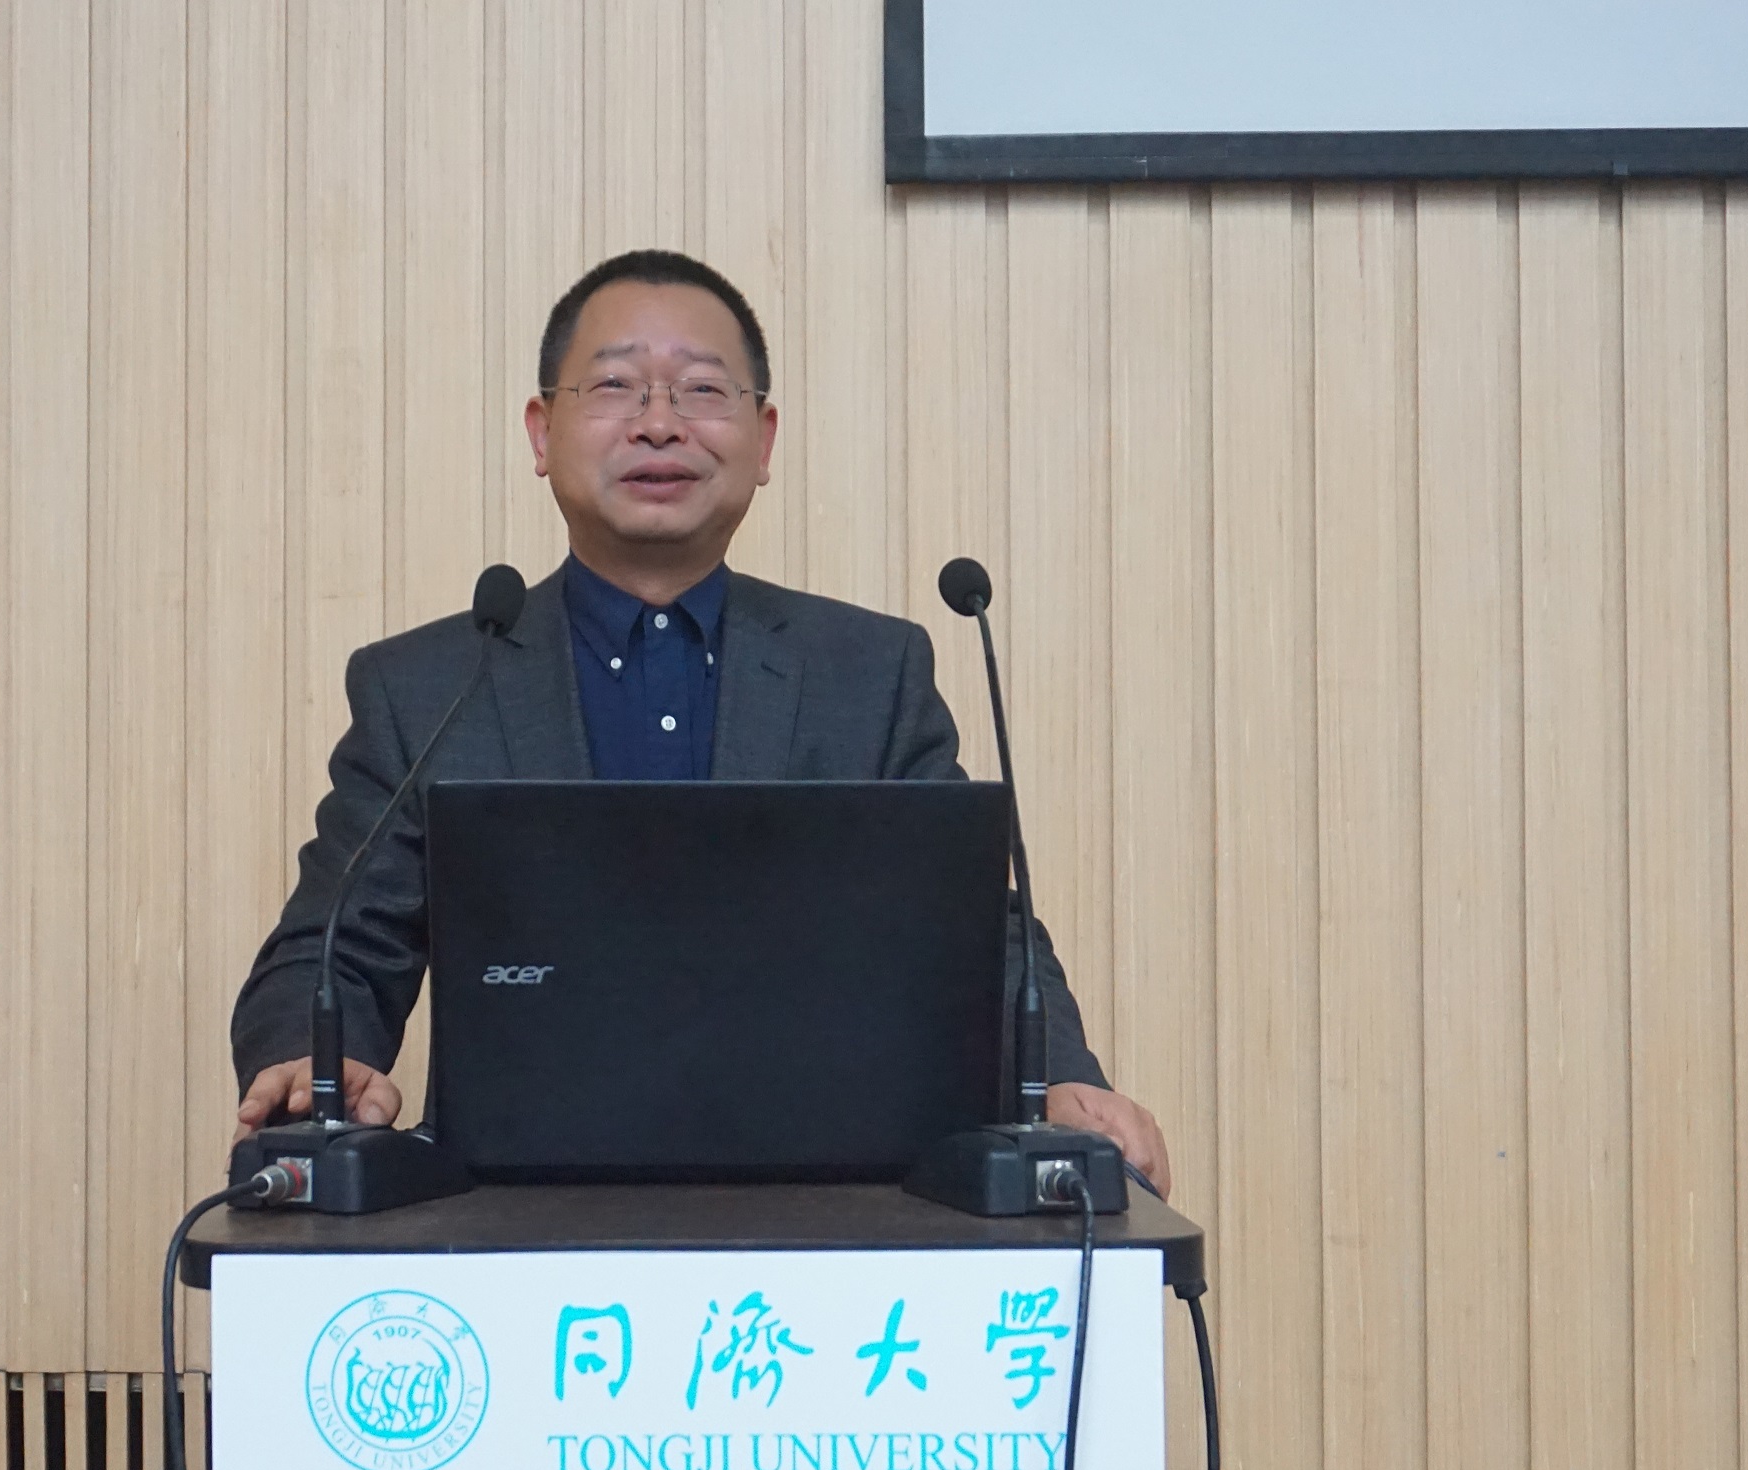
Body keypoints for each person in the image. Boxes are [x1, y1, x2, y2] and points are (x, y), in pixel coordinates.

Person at [230, 248, 1172, 1190]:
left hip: (830, 1208)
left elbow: (969, 935)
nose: (658, 423)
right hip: (506, 1212)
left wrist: (1058, 1081)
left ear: (763, 441)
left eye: (702, 390)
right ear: (541, 432)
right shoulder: (427, 686)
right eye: (614, 386)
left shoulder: (867, 673)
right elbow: (335, 946)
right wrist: (312, 1064)